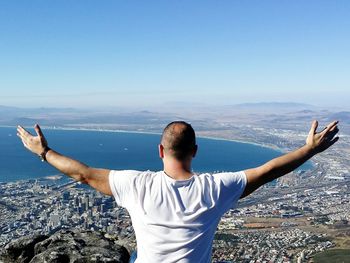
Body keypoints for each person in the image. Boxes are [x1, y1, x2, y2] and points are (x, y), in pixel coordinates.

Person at [17, 120, 339, 263]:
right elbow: (268, 171)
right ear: (195, 151)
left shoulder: (136, 185)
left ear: (160, 150)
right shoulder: (214, 189)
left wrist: (43, 152)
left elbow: (84, 175)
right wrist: (309, 150)